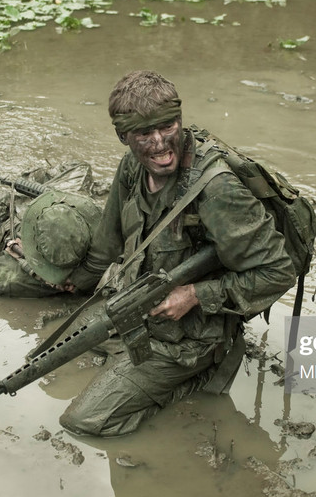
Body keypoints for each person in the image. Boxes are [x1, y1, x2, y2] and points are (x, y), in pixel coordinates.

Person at [58, 70, 295, 437]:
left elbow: (279, 271)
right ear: (124, 137)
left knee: (82, 421)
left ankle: (199, 379)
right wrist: (69, 281)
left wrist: (195, 294)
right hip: (137, 311)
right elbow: (108, 243)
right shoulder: (132, 167)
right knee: (57, 349)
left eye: (168, 126)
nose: (159, 143)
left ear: (180, 120)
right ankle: (132, 372)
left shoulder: (216, 189)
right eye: (144, 134)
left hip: (191, 338)